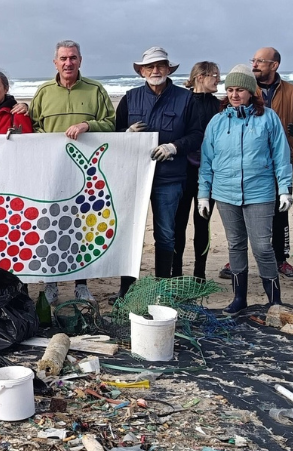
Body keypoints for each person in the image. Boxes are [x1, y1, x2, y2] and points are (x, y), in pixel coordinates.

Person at [197, 69, 291, 314]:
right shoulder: (217, 122)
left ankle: (274, 300)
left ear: (251, 92)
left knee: (262, 246)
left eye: (239, 90)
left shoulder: (269, 118)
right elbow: (207, 160)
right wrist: (203, 194)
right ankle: (239, 299)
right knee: (236, 245)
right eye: (230, 90)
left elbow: (281, 156)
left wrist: (285, 189)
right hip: (225, 193)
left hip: (260, 192)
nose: (234, 95)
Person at [28, 39, 114, 306]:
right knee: (51, 227)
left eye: (73, 58)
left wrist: (88, 124)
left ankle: (81, 284)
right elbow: (31, 127)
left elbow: (111, 123)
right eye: (63, 58)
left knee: (81, 229)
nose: (68, 63)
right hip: (52, 173)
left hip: (83, 174)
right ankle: (51, 284)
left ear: (80, 60)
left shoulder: (96, 89)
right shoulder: (43, 92)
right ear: (55, 62)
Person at [213, 48, 293, 284]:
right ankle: (237, 258)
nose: (254, 64)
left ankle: (280, 258)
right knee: (242, 211)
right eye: (252, 60)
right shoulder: (244, 90)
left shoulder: (292, 92)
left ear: (274, 65)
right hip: (245, 167)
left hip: (279, 164)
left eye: (260, 61)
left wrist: (290, 148)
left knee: (279, 216)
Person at [115, 47, 200, 291]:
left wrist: (174, 146)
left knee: (165, 233)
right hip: (134, 178)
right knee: (131, 234)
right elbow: (113, 133)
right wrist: (126, 134)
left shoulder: (186, 99)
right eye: (150, 66)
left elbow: (196, 135)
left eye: (160, 65)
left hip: (170, 178)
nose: (155, 70)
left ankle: (162, 287)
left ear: (169, 69)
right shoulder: (130, 97)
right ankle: (127, 290)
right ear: (141, 71)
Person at [174, 62, 223, 279]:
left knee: (203, 223)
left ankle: (199, 274)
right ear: (200, 77)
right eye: (215, 76)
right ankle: (175, 274)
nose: (218, 80)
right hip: (183, 172)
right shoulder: (181, 102)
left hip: (209, 173)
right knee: (179, 223)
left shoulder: (220, 106)